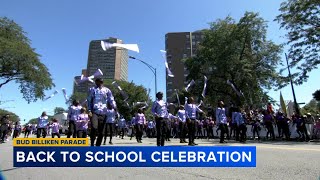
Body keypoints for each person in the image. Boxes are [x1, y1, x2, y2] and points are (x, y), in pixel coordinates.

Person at [87, 78, 116, 146]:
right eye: (98, 81)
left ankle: (97, 146)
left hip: (104, 113)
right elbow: (89, 100)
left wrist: (114, 106)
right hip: (95, 112)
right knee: (94, 127)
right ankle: (92, 143)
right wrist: (89, 110)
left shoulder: (107, 90)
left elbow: (111, 99)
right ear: (96, 82)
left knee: (101, 132)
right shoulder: (92, 90)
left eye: (101, 81)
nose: (100, 82)